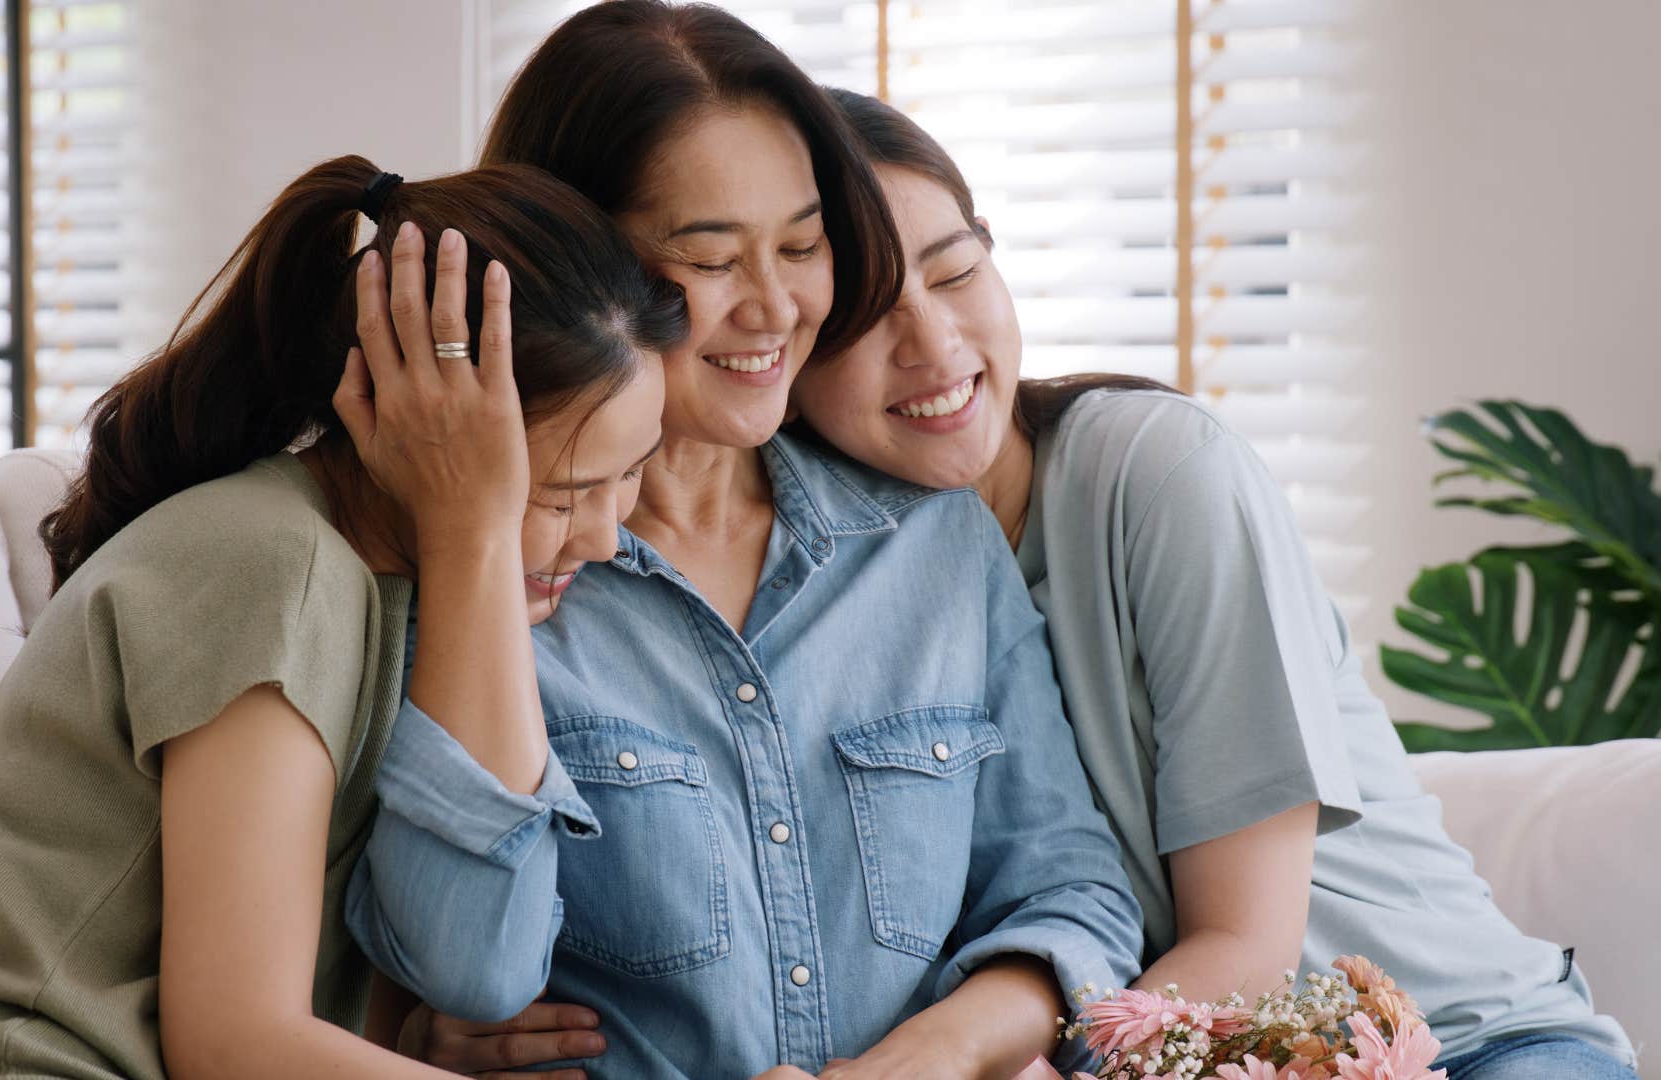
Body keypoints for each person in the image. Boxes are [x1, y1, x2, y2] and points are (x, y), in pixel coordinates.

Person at [346, 5, 1143, 1079]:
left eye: (804, 245)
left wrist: (919, 1064)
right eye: (711, 259)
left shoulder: (930, 542)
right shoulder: (475, 565)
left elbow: (1072, 895)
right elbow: (467, 969)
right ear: (584, 262)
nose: (775, 307)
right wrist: (475, 548)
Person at [786, 90, 1637, 1079]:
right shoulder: (834, 589)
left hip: (1469, 1042)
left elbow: (1248, 948)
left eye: (955, 273)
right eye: (861, 320)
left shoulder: (1157, 472)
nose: (933, 344)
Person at [0, 155, 684, 1079]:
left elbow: (471, 969)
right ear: (416, 417)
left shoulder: (401, 589)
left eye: (634, 471)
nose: (609, 538)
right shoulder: (274, 567)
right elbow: (234, 1043)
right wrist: (481, 529)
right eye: (567, 494)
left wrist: (390, 1034)